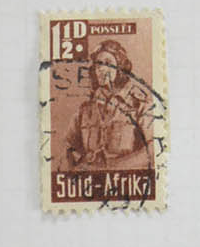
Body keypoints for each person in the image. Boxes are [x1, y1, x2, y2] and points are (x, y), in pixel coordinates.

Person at [63, 39, 154, 171]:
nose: (102, 69)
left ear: (121, 67)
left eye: (108, 63)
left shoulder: (139, 104)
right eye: (98, 64)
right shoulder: (85, 110)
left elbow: (154, 150)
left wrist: (112, 167)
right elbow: (68, 147)